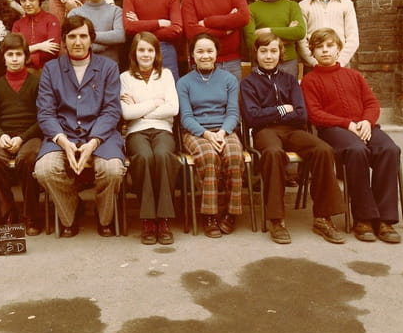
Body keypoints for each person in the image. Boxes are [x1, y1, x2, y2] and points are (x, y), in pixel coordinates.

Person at [240, 33, 346, 245]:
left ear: (280, 54)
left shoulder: (289, 80)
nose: (268, 56)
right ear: (256, 53)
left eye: (273, 51)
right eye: (263, 51)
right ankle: (276, 219)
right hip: (265, 132)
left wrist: (269, 112)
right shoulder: (248, 83)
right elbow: (252, 117)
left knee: (323, 150)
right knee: (273, 153)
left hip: (293, 131)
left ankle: (322, 217)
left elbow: (301, 114)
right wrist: (282, 109)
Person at [301, 28, 402, 244]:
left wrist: (366, 121)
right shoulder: (310, 80)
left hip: (364, 126)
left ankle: (385, 219)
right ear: (313, 52)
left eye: (330, 46)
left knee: (389, 150)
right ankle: (363, 218)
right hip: (334, 130)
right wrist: (347, 124)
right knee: (356, 151)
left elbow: (372, 103)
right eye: (319, 47)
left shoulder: (354, 76)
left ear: (338, 49)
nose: (325, 51)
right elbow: (315, 114)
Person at [34, 16, 126, 237]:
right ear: (64, 40)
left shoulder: (108, 67)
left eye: (83, 36)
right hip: (63, 133)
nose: (77, 42)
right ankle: (72, 209)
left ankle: (104, 216)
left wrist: (93, 143)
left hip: (100, 134)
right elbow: (45, 112)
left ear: (91, 39)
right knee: (44, 170)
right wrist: (63, 142)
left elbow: (112, 110)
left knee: (112, 170)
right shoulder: (51, 69)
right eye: (72, 36)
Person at [177, 33, 245, 238]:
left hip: (225, 129)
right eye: (200, 51)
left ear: (216, 53)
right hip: (196, 132)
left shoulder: (229, 79)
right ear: (192, 55)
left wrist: (222, 132)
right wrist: (207, 134)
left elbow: (233, 112)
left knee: (234, 156)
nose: (205, 55)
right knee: (209, 157)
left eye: (209, 51)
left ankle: (232, 212)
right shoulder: (184, 82)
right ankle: (209, 214)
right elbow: (186, 117)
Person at [120, 32, 179, 245]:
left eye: (150, 50)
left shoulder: (166, 75)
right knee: (144, 157)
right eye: (141, 50)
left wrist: (140, 109)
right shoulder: (125, 78)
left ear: (156, 53)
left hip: (163, 129)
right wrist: (155, 102)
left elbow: (173, 108)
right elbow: (127, 113)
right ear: (134, 53)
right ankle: (147, 219)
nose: (146, 54)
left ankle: (163, 219)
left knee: (163, 155)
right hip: (136, 131)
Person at [0, 33, 43, 236]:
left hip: (30, 136)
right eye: (10, 54)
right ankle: (7, 211)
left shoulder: (36, 83)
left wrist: (22, 138)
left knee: (28, 158)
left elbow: (42, 119)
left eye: (19, 54)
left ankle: (32, 214)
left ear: (26, 57)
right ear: (4, 58)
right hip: (5, 136)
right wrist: (0, 136)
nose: (15, 59)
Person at [181, 0, 249, 81]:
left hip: (231, 62)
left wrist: (208, 22)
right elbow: (192, 31)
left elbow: (244, 17)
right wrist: (225, 30)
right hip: (202, 63)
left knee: (233, 95)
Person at [122, 0, 183, 80]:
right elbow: (129, 27)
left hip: (165, 49)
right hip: (140, 49)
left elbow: (176, 29)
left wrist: (141, 26)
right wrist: (160, 23)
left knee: (170, 87)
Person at [244, 0, 306, 79]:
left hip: (288, 63)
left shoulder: (291, 6)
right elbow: (251, 41)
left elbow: (300, 32)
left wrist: (267, 31)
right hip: (261, 63)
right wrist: (287, 36)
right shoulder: (250, 9)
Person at [297, 0, 359, 69]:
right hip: (314, 67)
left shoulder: (346, 4)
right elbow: (301, 40)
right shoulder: (303, 6)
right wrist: (314, 63)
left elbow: (353, 38)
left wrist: (340, 62)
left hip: (341, 65)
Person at [68, 0, 125, 64]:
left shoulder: (116, 11)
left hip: (109, 65)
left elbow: (120, 36)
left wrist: (89, 36)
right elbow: (73, 40)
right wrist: (107, 41)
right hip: (83, 65)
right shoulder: (75, 13)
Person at [12, 0, 60, 72]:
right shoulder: (18, 24)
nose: (27, 4)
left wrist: (26, 55)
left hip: (48, 71)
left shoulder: (51, 20)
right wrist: (39, 46)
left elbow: (53, 50)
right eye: (23, 0)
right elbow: (14, 51)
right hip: (23, 72)